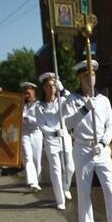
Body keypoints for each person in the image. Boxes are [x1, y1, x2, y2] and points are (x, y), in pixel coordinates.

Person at [62, 60, 112, 222]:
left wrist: (103, 143)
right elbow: (67, 123)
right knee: (84, 189)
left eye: (92, 75)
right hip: (82, 148)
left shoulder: (103, 100)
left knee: (110, 188)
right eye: (85, 76)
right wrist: (84, 109)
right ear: (79, 78)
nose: (89, 79)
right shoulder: (71, 100)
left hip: (100, 148)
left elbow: (111, 125)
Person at [39, 72, 74, 210]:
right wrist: (53, 132)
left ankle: (66, 187)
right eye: (48, 86)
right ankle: (60, 200)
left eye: (53, 85)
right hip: (51, 140)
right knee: (56, 170)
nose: (51, 88)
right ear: (44, 88)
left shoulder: (62, 100)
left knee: (70, 167)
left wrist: (63, 89)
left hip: (64, 137)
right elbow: (41, 125)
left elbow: (72, 100)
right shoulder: (39, 106)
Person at [20, 81, 44, 191]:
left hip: (36, 133)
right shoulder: (22, 105)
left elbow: (41, 121)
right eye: (25, 93)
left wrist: (27, 118)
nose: (26, 96)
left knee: (36, 159)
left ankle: (37, 179)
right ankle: (32, 182)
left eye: (28, 93)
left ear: (33, 92)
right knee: (27, 157)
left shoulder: (39, 105)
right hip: (25, 133)